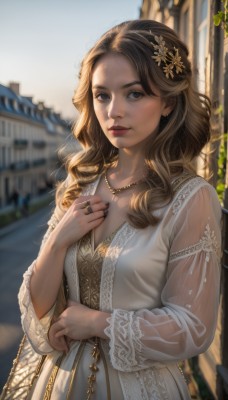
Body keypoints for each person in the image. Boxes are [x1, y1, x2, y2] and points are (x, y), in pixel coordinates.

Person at [17, 19, 221, 399]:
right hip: (59, 385)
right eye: (102, 95)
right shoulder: (81, 186)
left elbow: (194, 326)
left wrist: (96, 322)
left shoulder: (191, 198)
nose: (114, 111)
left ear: (168, 102)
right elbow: (39, 308)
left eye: (135, 93)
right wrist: (58, 241)